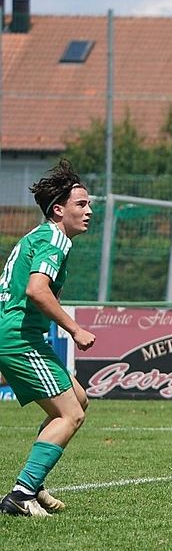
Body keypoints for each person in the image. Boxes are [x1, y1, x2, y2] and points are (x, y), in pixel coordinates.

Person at [0, 159, 96, 516]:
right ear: (59, 210)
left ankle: (32, 483)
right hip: (19, 337)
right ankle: (22, 495)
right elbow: (37, 290)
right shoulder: (54, 240)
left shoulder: (42, 236)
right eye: (81, 204)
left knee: (79, 399)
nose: (89, 211)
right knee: (70, 414)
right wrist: (75, 329)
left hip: (18, 334)